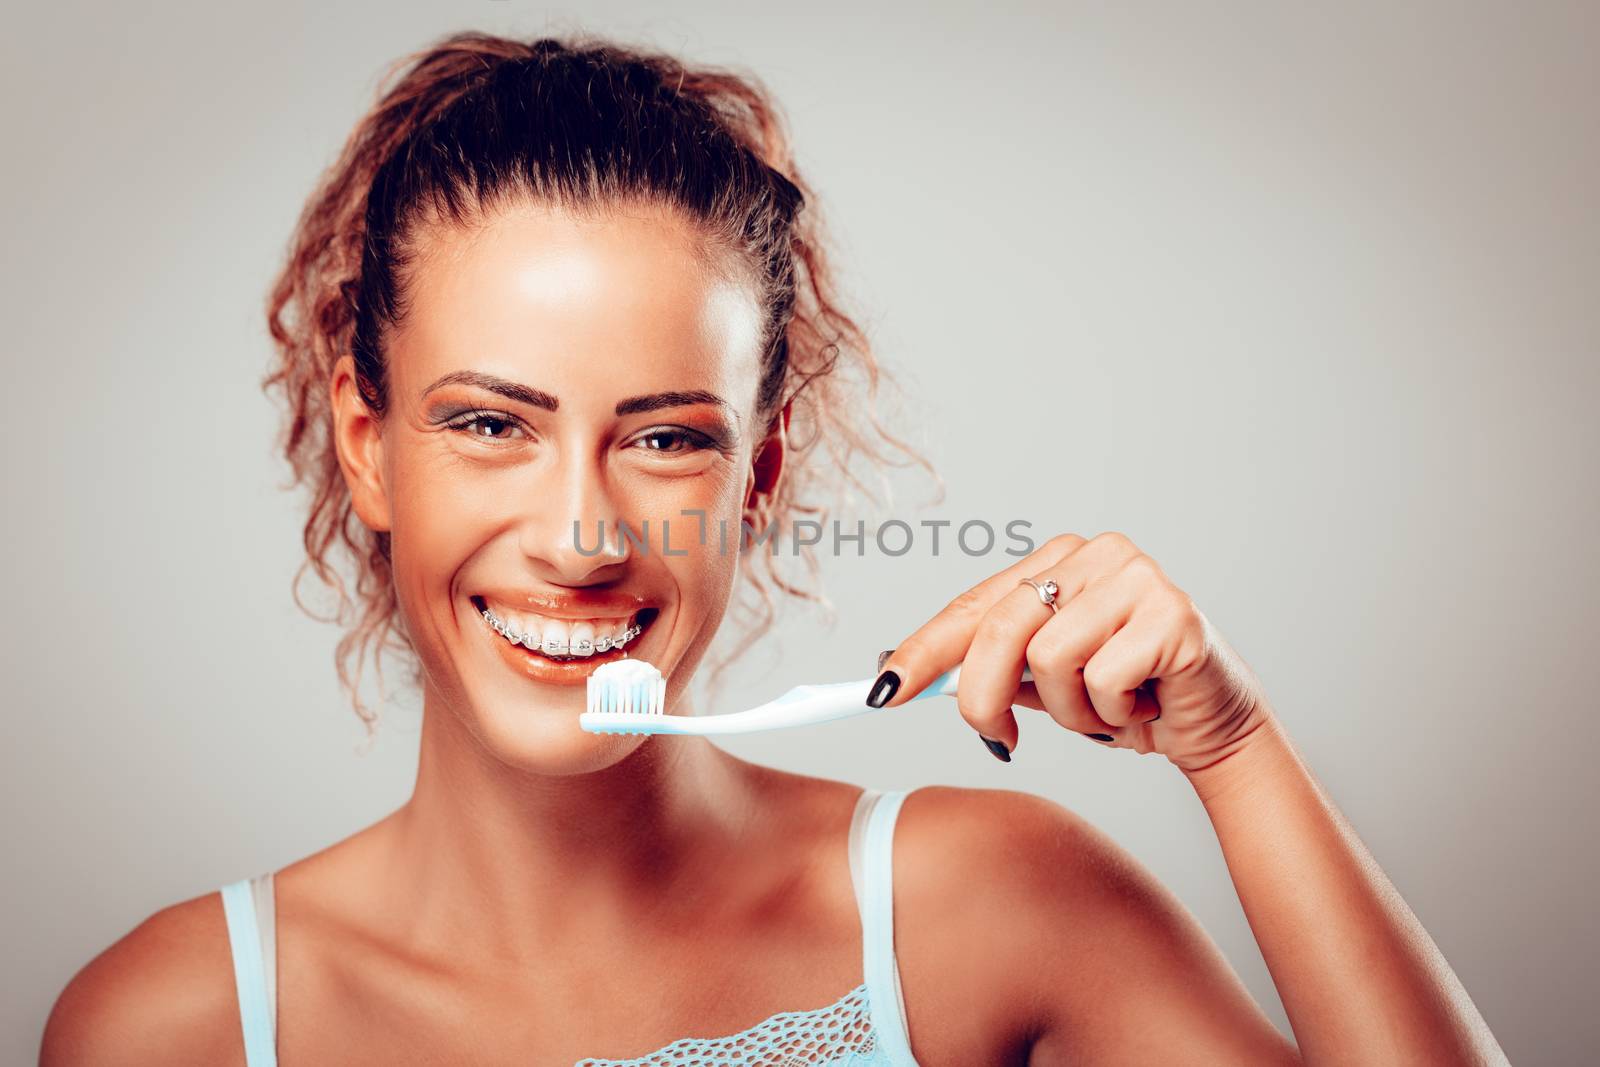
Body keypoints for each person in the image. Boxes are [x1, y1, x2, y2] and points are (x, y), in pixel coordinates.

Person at [40, 29, 1507, 1065]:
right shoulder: (174, 1026)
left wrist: (1233, 750)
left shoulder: (984, 908)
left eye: (668, 437)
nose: (579, 536)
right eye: (490, 424)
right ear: (367, 443)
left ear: (760, 469)